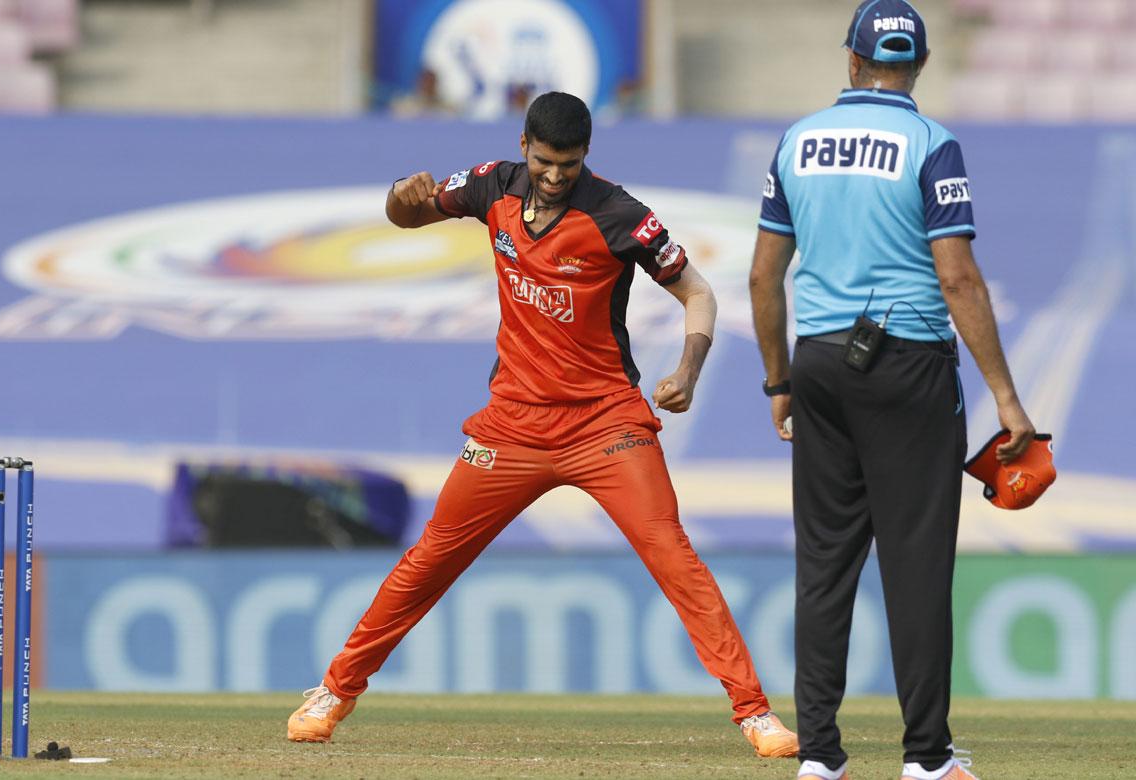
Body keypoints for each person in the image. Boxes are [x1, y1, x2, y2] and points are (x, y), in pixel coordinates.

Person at [288, 91, 798, 760]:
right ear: (524, 144)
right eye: (547, 162)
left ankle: (755, 714)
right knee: (430, 560)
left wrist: (689, 369)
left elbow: (698, 291)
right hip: (512, 426)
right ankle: (333, 691)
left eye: (571, 164)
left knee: (673, 556)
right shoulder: (489, 185)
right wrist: (399, 195)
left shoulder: (622, 216)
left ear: (588, 155)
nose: (557, 176)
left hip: (605, 422)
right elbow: (406, 217)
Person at [747, 3, 1035, 780]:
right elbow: (957, 276)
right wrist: (1006, 397)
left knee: (826, 563)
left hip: (819, 364)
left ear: (852, 61)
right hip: (907, 366)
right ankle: (927, 759)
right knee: (915, 565)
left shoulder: (798, 140)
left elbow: (763, 274)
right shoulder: (932, 145)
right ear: (921, 64)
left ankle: (821, 758)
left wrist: (779, 378)